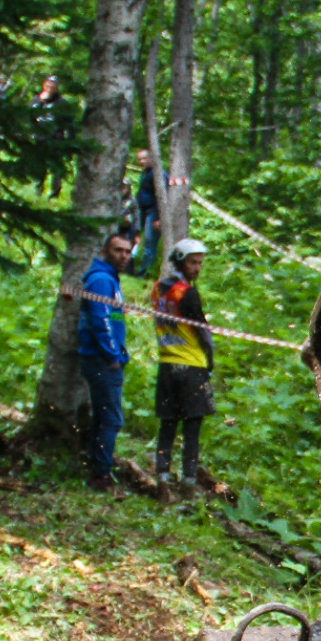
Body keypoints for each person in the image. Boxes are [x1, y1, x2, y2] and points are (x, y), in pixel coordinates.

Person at [153, 239, 217, 495]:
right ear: (180, 261)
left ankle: (163, 475)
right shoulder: (187, 293)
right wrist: (210, 361)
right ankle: (189, 481)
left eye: (201, 263)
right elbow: (204, 333)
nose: (198, 268)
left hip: (167, 361)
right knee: (192, 426)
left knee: (168, 423)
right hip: (191, 364)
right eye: (193, 262)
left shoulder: (158, 289)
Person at [77, 232, 135, 491]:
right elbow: (100, 321)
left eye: (127, 251)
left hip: (104, 358)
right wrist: (112, 356)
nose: (123, 256)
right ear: (105, 251)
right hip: (101, 361)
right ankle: (101, 475)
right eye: (118, 251)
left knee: (104, 417)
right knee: (111, 419)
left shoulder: (109, 279)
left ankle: (99, 468)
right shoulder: (101, 280)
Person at [133, 149, 164, 277]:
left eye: (144, 158)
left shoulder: (158, 174)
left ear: (151, 158)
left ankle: (145, 272)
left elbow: (162, 197)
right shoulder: (145, 173)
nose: (142, 162)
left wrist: (159, 217)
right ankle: (134, 267)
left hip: (154, 213)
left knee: (150, 243)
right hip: (143, 211)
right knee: (137, 238)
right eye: (140, 159)